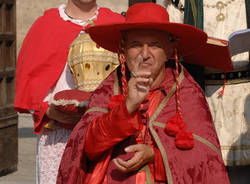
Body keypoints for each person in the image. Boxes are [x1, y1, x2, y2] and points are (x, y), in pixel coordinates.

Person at [57, 3, 230, 184]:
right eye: (136, 45)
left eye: (154, 45)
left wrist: (155, 156)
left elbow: (206, 162)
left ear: (170, 50)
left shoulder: (187, 93)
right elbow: (87, 148)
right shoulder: (108, 90)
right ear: (123, 48)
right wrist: (127, 106)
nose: (145, 54)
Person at [14, 0, 124, 183]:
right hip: (58, 136)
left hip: (105, 132)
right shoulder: (46, 25)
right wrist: (49, 111)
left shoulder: (115, 24)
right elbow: (30, 84)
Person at [163, 0, 250, 183]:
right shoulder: (184, 2)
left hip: (245, 95)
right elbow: (169, 40)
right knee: (207, 164)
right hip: (202, 94)